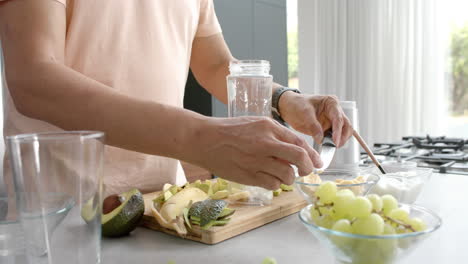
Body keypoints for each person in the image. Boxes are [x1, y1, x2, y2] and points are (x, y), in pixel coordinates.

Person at [0, 0, 353, 196]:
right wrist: (202, 138)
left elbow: (215, 64)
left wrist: (285, 99)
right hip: (60, 212)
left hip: (164, 205)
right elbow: (34, 79)